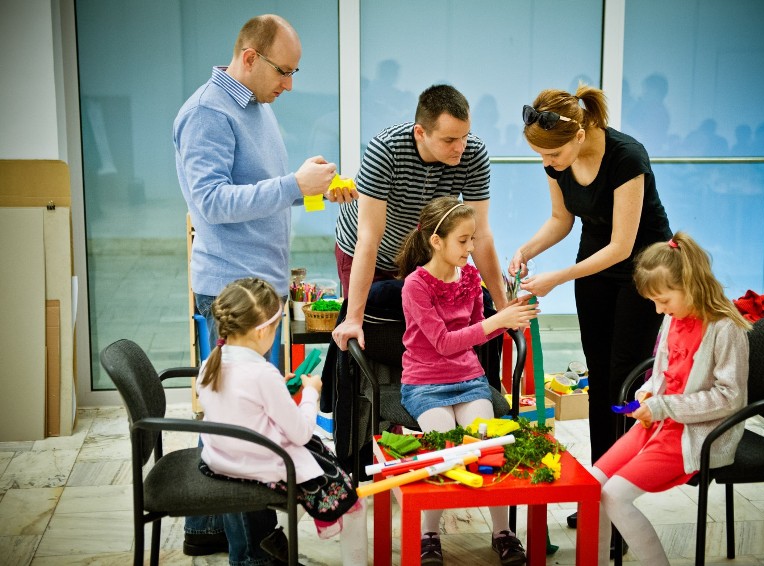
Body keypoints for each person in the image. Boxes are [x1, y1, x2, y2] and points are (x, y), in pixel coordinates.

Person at [173, 14, 354, 565]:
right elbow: (210, 204)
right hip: (233, 293)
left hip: (260, 287)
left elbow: (256, 190)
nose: (290, 84)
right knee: (243, 434)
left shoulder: (255, 108)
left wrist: (309, 190)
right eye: (284, 70)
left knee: (240, 419)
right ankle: (251, 553)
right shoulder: (208, 112)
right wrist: (291, 185)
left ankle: (206, 526)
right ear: (249, 57)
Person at [509, 85, 673, 538]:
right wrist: (527, 248)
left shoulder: (627, 158)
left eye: (555, 155)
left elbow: (623, 246)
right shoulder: (555, 156)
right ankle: (600, 489)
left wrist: (557, 277)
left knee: (625, 379)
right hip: (595, 267)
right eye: (543, 157)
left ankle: (621, 498)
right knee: (600, 374)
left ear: (580, 136)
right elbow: (561, 220)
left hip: (644, 270)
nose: (549, 164)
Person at [592, 231, 751, 565]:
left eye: (663, 300)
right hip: (662, 423)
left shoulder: (726, 327)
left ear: (691, 284)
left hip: (699, 434)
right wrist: (647, 394)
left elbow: (730, 397)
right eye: (653, 301)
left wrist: (662, 405)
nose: (658, 309)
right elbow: (664, 372)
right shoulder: (672, 317)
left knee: (614, 496)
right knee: (592, 484)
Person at [396, 197, 539, 566]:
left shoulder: (472, 278)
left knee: (485, 443)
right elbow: (443, 343)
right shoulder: (415, 286)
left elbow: (477, 334)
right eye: (464, 240)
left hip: (468, 378)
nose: (472, 248)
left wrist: (509, 321)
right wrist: (497, 320)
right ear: (436, 241)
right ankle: (429, 535)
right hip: (424, 383)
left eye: (473, 239)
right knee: (445, 450)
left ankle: (502, 533)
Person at [196, 278, 366, 565]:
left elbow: (241, 407)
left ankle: (275, 543)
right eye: (275, 329)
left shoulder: (211, 363)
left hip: (221, 460)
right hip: (259, 464)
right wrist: (310, 394)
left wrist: (279, 389)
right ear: (262, 330)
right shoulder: (262, 374)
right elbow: (300, 433)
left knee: (312, 473)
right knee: (351, 502)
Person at [331, 84, 507, 353]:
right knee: (375, 334)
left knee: (425, 334)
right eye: (449, 140)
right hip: (367, 251)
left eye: (465, 136)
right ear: (420, 133)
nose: (460, 148)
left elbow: (480, 235)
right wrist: (353, 319)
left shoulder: (473, 153)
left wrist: (503, 307)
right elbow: (368, 238)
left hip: (420, 252)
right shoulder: (386, 150)